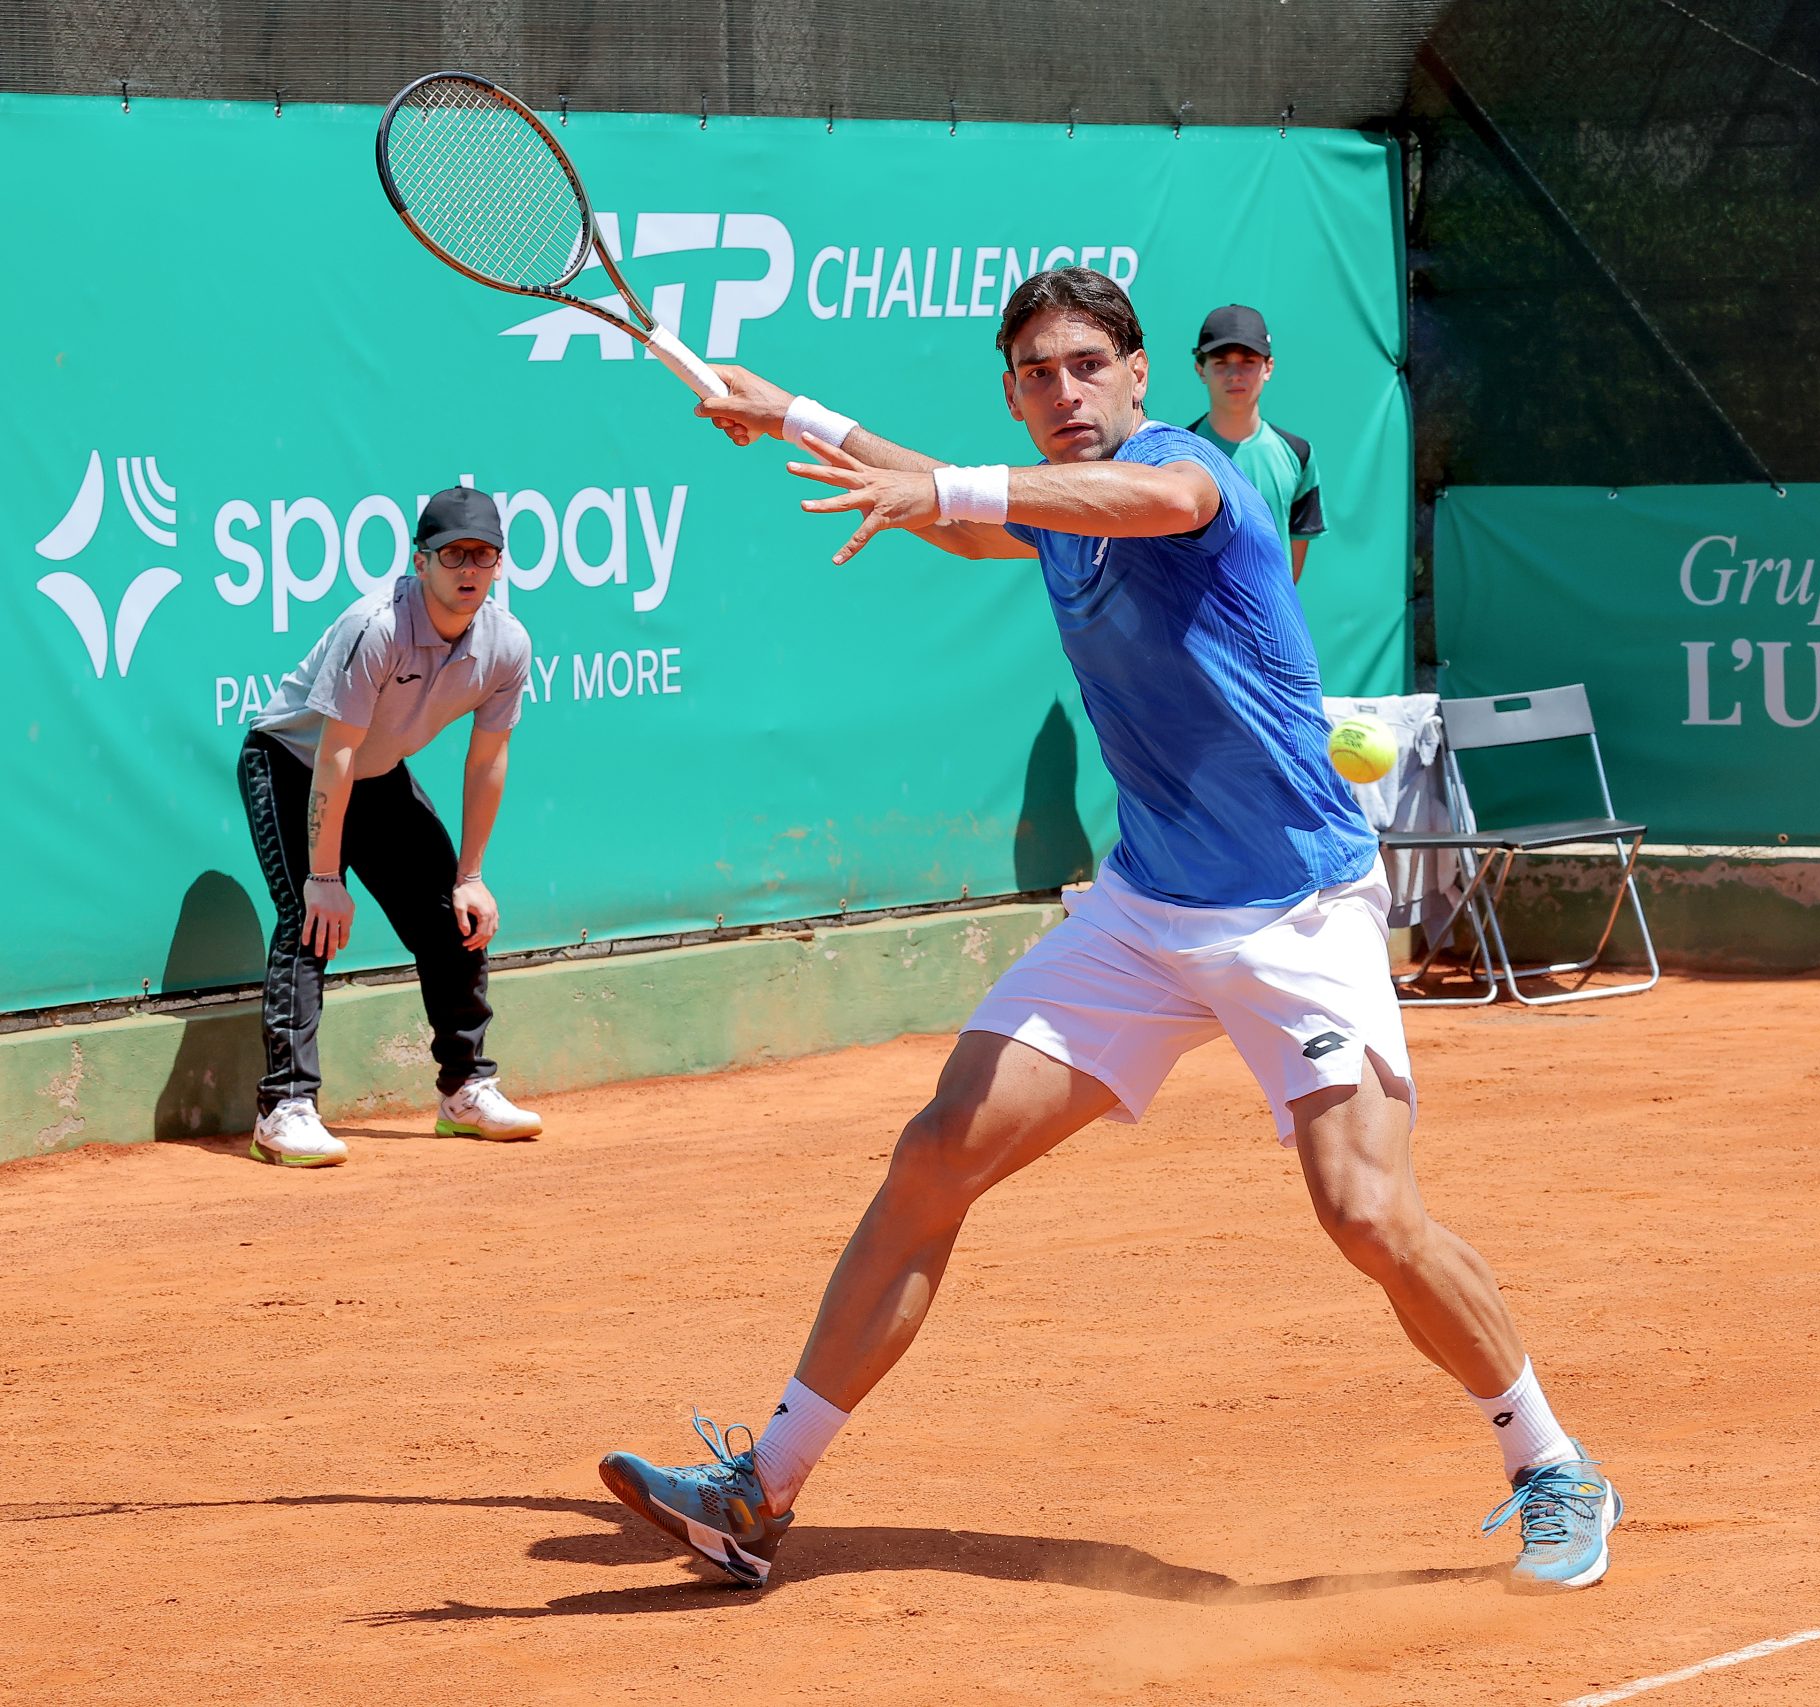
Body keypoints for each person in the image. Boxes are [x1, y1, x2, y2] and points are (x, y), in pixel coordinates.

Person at [598, 267, 1620, 1595]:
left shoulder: (1183, 470)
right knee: (935, 1155)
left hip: (1296, 909)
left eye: (1089, 365)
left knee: (1366, 1209)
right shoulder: (1051, 506)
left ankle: (1552, 1462)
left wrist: (953, 485)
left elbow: (1125, 503)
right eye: (1036, 373)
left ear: (1142, 378)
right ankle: (760, 1490)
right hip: (1146, 912)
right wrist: (788, 409)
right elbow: (969, 521)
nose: (1065, 391)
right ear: (1014, 392)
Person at [235, 486, 542, 1167]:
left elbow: (488, 757)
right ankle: (283, 1107)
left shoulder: (507, 643)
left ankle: (465, 1089)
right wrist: (323, 875)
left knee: (450, 912)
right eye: (453, 553)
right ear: (419, 560)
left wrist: (472, 875)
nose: (469, 568)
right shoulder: (375, 626)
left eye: (484, 555)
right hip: (295, 765)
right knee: (309, 918)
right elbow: (335, 753)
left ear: (499, 565)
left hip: (377, 774)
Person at [1187, 304, 1325, 583]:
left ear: (1268, 367)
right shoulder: (1175, 454)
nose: (1234, 374)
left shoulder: (1298, 455)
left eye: (1248, 360)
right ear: (1201, 369)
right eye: (1220, 361)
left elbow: (1291, 571)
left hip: (1271, 625)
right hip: (1195, 624)